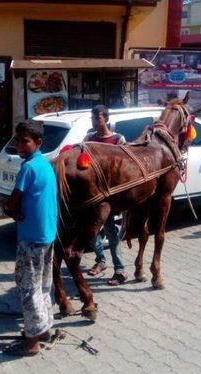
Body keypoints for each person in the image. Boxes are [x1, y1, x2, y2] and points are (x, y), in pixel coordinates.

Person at [3, 120, 57, 356]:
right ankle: (44, 329)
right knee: (44, 285)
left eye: (25, 141)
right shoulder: (45, 164)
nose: (20, 146)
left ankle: (32, 342)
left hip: (31, 238)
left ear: (38, 142)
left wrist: (11, 210)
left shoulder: (28, 168)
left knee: (28, 289)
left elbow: (12, 201)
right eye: (17, 140)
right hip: (47, 236)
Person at [83, 105, 128, 286]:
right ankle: (101, 260)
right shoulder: (88, 139)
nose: (94, 121)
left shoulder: (118, 139)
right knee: (91, 230)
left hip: (110, 194)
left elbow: (125, 166)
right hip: (92, 193)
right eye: (92, 118)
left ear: (106, 119)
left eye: (97, 118)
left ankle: (120, 269)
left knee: (110, 230)